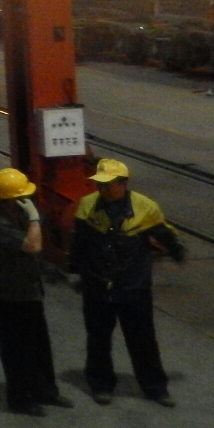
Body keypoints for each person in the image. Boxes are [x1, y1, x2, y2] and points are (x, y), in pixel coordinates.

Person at [69, 158, 185, 407]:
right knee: (98, 339)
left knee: (143, 341)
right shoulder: (87, 205)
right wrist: (76, 271)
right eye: (100, 184)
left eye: (109, 184)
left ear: (123, 183)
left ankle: (155, 387)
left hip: (134, 288)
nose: (103, 190)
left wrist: (176, 250)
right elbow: (80, 243)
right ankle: (101, 384)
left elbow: (164, 234)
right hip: (98, 287)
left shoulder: (146, 208)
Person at [0, 168, 72, 417]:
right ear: (11, 200)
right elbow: (33, 245)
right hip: (10, 298)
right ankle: (20, 400)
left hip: (31, 294)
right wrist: (34, 220)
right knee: (16, 352)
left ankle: (46, 391)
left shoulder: (18, 219)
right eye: (23, 197)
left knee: (40, 347)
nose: (29, 201)